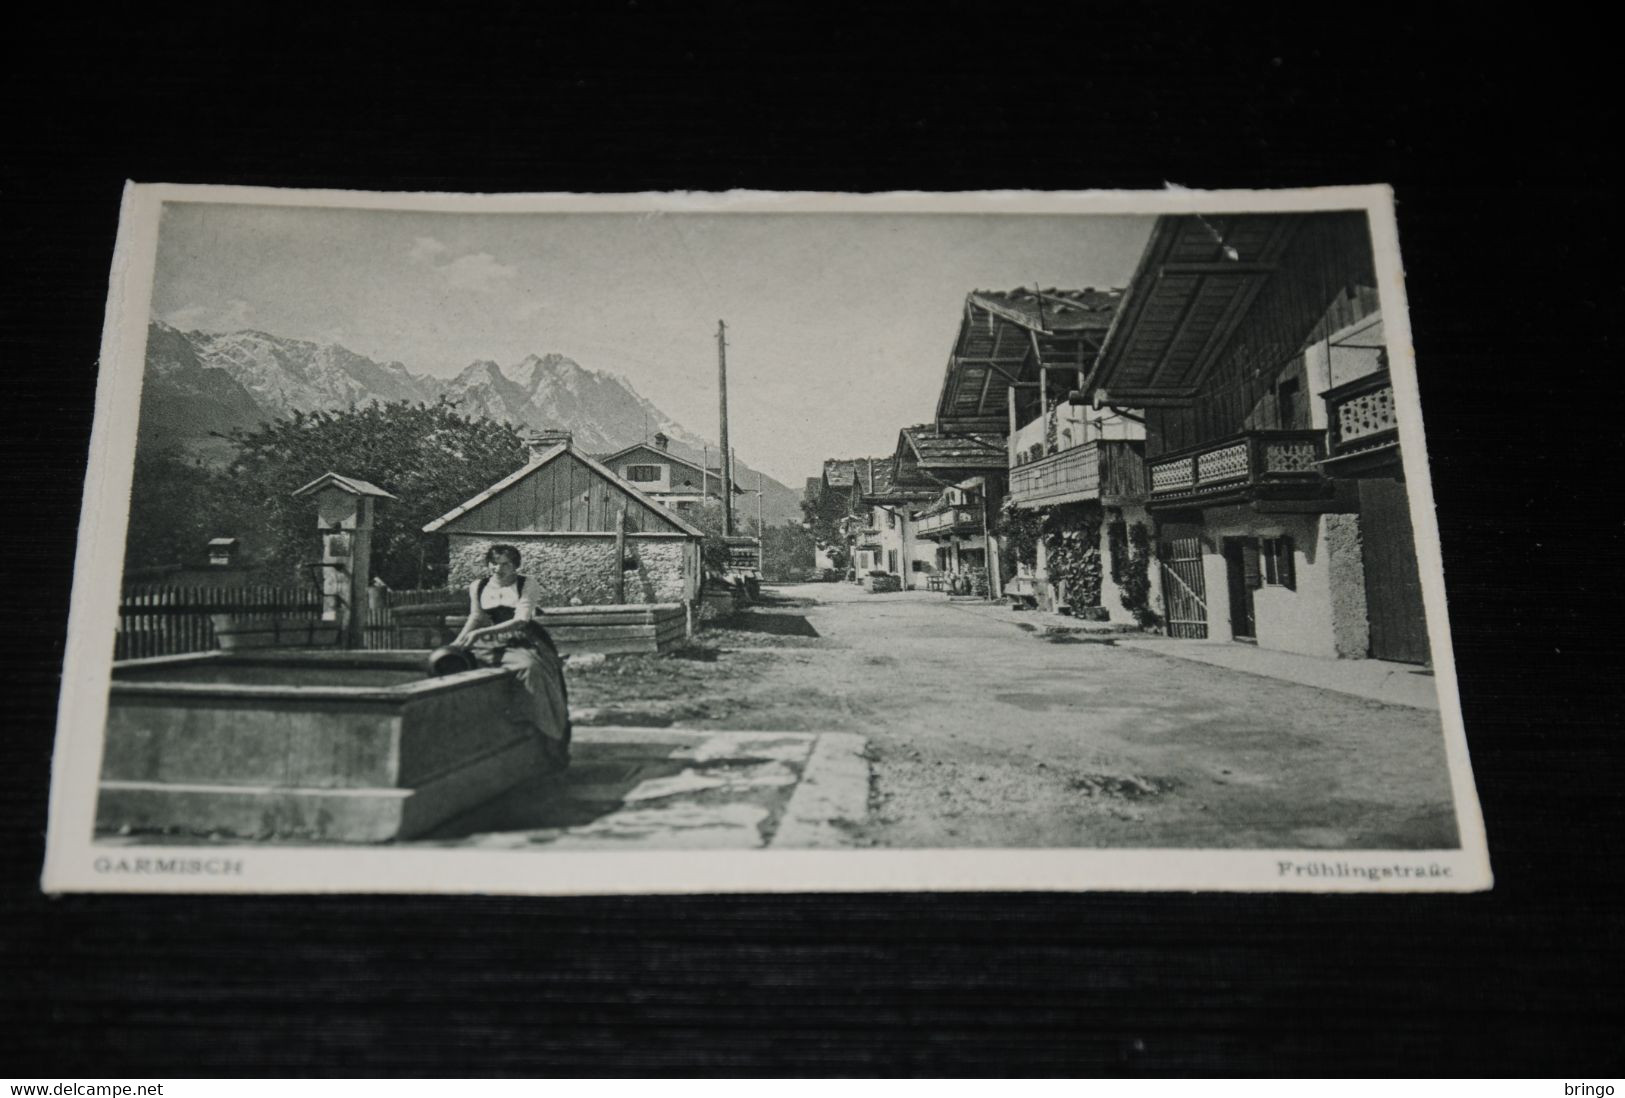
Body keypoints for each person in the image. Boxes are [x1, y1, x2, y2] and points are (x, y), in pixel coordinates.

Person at [451, 544, 571, 773]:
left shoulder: (527, 584)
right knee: (463, 666)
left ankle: (544, 729)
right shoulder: (478, 586)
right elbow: (476, 617)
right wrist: (457, 642)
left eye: (506, 563)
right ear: (488, 564)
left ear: (516, 565)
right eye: (494, 563)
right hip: (491, 640)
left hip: (523, 638)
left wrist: (480, 634)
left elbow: (521, 620)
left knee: (530, 668)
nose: (499, 568)